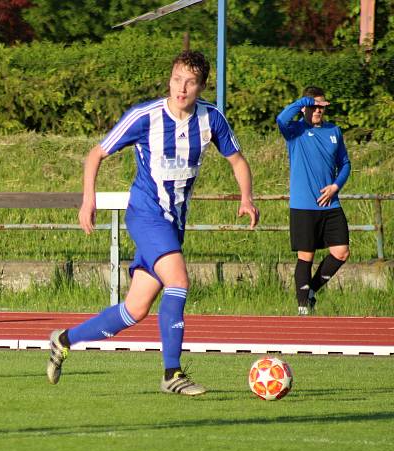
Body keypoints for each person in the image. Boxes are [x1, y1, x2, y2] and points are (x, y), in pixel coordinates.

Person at [46, 50, 259, 396]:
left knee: (135, 309)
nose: (182, 88)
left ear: (201, 86)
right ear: (169, 80)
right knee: (179, 280)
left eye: (190, 82)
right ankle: (172, 374)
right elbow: (95, 154)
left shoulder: (211, 119)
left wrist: (246, 197)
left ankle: (63, 340)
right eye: (177, 79)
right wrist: (89, 200)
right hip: (146, 214)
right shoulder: (145, 117)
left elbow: (237, 160)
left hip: (174, 223)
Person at [276, 86, 351, 316]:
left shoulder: (333, 131)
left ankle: (310, 291)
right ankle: (303, 309)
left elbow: (345, 164)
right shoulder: (295, 131)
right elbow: (282, 118)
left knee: (341, 252)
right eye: (314, 106)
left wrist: (335, 186)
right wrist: (304, 101)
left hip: (331, 204)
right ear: (305, 107)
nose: (318, 110)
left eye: (321, 106)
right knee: (306, 256)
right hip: (303, 205)